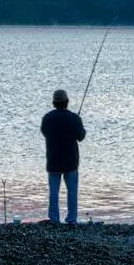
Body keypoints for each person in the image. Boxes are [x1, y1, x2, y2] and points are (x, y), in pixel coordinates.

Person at [40, 88, 87, 224]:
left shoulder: (47, 118)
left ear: (54, 103)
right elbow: (81, 136)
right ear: (67, 101)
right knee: (72, 191)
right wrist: (79, 125)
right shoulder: (74, 118)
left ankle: (54, 219)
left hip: (53, 160)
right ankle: (71, 219)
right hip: (70, 161)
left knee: (54, 192)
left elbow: (44, 132)